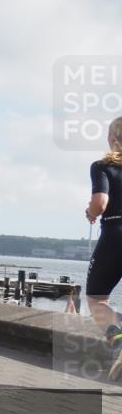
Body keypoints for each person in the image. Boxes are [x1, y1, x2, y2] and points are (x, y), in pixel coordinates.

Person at [84, 117, 122, 378]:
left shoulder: (103, 166)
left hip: (116, 236)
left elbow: (101, 201)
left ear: (112, 138)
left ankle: (119, 339)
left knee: (96, 297)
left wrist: (90, 212)